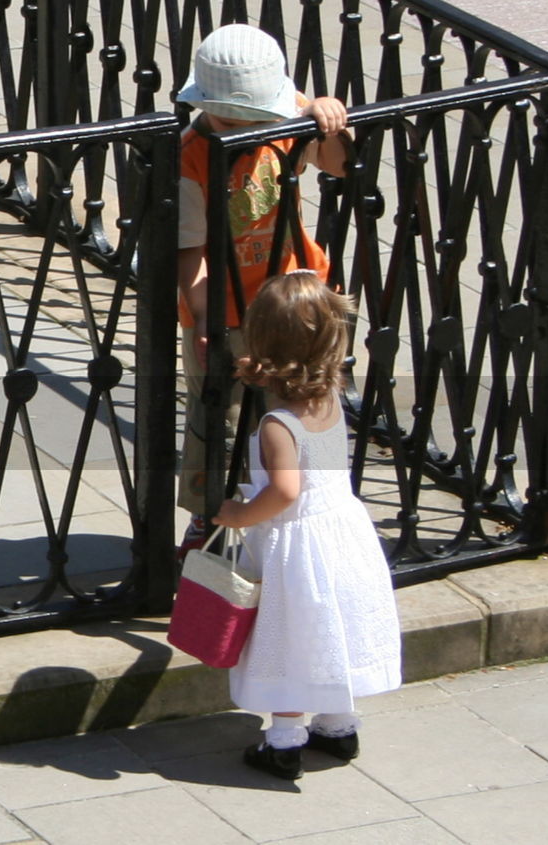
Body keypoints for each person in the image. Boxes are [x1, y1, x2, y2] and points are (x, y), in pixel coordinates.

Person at [212, 269, 401, 781]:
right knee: (330, 632)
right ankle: (339, 727)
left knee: (293, 638)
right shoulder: (329, 399)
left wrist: (237, 514)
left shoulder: (279, 424)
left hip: (297, 546)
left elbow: (285, 491)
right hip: (342, 534)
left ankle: (284, 741)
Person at [174, 23, 351, 558]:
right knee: (220, 415)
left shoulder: (287, 116)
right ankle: (214, 515)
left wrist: (327, 119)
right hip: (225, 308)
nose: (249, 127)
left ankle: (298, 502)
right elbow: (189, 252)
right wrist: (203, 317)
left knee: (296, 403)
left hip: (290, 298)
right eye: (234, 118)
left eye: (256, 117)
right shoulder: (191, 158)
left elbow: (338, 165)